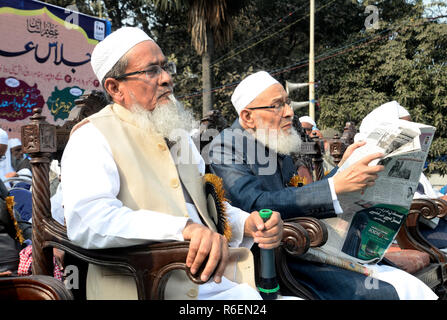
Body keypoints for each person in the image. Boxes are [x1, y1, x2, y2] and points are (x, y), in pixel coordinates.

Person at [60, 27, 286, 300]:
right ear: (114, 88)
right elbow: (88, 221)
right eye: (151, 71)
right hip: (147, 290)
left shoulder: (178, 136)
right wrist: (181, 230)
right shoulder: (92, 136)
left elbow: (205, 205)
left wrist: (247, 223)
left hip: (217, 282)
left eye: (165, 67)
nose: (167, 78)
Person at [208, 71, 438, 300]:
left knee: (407, 285)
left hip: (306, 246)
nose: (289, 112)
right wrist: (334, 186)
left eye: (287, 103)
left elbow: (296, 197)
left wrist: (344, 168)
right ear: (247, 117)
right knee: (385, 292)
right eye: (277, 105)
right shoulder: (225, 147)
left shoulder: (271, 138)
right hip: (277, 259)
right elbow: (255, 205)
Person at [355, 101, 447, 251]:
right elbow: (406, 204)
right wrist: (440, 203)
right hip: (409, 232)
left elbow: (427, 192)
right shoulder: (369, 160)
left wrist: (441, 199)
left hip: (429, 223)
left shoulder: (407, 158)